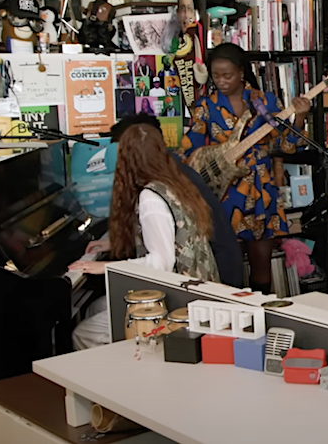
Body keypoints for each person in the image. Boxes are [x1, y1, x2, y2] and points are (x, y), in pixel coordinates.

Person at [68, 125, 219, 349]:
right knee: (96, 308)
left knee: (83, 334)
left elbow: (162, 263)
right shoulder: (173, 183)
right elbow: (173, 237)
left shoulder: (150, 197)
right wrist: (116, 243)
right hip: (198, 287)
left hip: (181, 301)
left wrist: (107, 267)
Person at [180, 43, 311, 292]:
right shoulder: (205, 107)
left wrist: (301, 117)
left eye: (227, 75)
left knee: (262, 264)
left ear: (241, 72)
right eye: (216, 75)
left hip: (261, 191)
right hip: (224, 192)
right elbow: (190, 152)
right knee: (230, 267)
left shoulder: (263, 101)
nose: (221, 81)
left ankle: (261, 315)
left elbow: (288, 144)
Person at [101, 113, 246, 288]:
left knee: (97, 310)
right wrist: (122, 241)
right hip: (213, 275)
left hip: (207, 284)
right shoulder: (175, 177)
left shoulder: (152, 194)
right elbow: (172, 232)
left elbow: (162, 261)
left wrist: (107, 267)